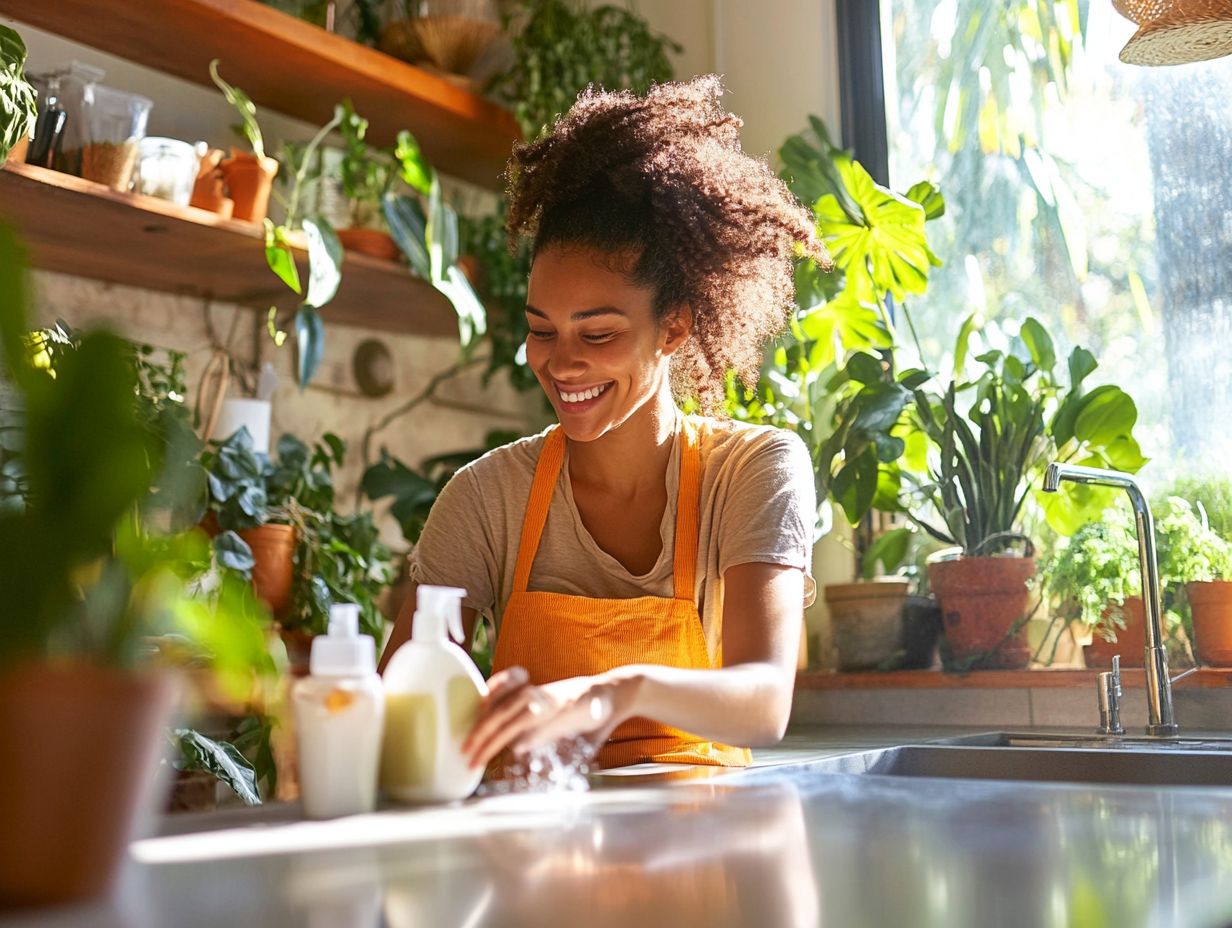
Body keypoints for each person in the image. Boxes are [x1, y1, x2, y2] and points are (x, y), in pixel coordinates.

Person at [379, 75, 830, 772]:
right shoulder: (486, 501)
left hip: (702, 856)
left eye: (597, 335)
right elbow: (397, 710)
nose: (561, 365)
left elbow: (764, 701)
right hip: (533, 854)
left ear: (674, 327)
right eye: (541, 330)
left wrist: (612, 693)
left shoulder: (753, 471)